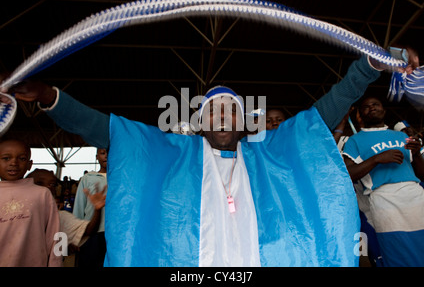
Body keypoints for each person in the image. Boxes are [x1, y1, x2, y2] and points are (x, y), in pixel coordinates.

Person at [1, 55, 394, 266]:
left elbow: (325, 111)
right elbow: (102, 128)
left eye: (231, 110)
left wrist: (367, 67)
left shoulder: (270, 154)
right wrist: (51, 96)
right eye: (213, 111)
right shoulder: (171, 153)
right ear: (200, 123)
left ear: (244, 123)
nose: (222, 116)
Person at [342, 95, 424, 266]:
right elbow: (348, 174)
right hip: (384, 198)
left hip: (415, 194)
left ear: (384, 110)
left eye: (376, 104)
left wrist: (416, 155)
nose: (371, 107)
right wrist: (376, 159)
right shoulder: (354, 141)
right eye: (366, 106)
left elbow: (421, 173)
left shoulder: (401, 136)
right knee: (397, 250)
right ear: (360, 115)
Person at [0, 139, 62, 267]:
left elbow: (57, 234)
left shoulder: (42, 194)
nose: (14, 163)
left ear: (29, 164)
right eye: (6, 158)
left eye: (21, 158)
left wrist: (56, 263)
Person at [29, 168, 106, 266]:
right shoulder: (16, 215)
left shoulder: (59, 217)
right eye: (39, 183)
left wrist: (97, 210)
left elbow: (89, 230)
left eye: (52, 184)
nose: (46, 188)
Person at [72, 148, 107, 267]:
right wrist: (76, 235)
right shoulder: (88, 178)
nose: (106, 156)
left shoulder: (121, 177)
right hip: (92, 232)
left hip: (115, 232)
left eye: (110, 153)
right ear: (97, 157)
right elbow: (79, 206)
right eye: (102, 153)